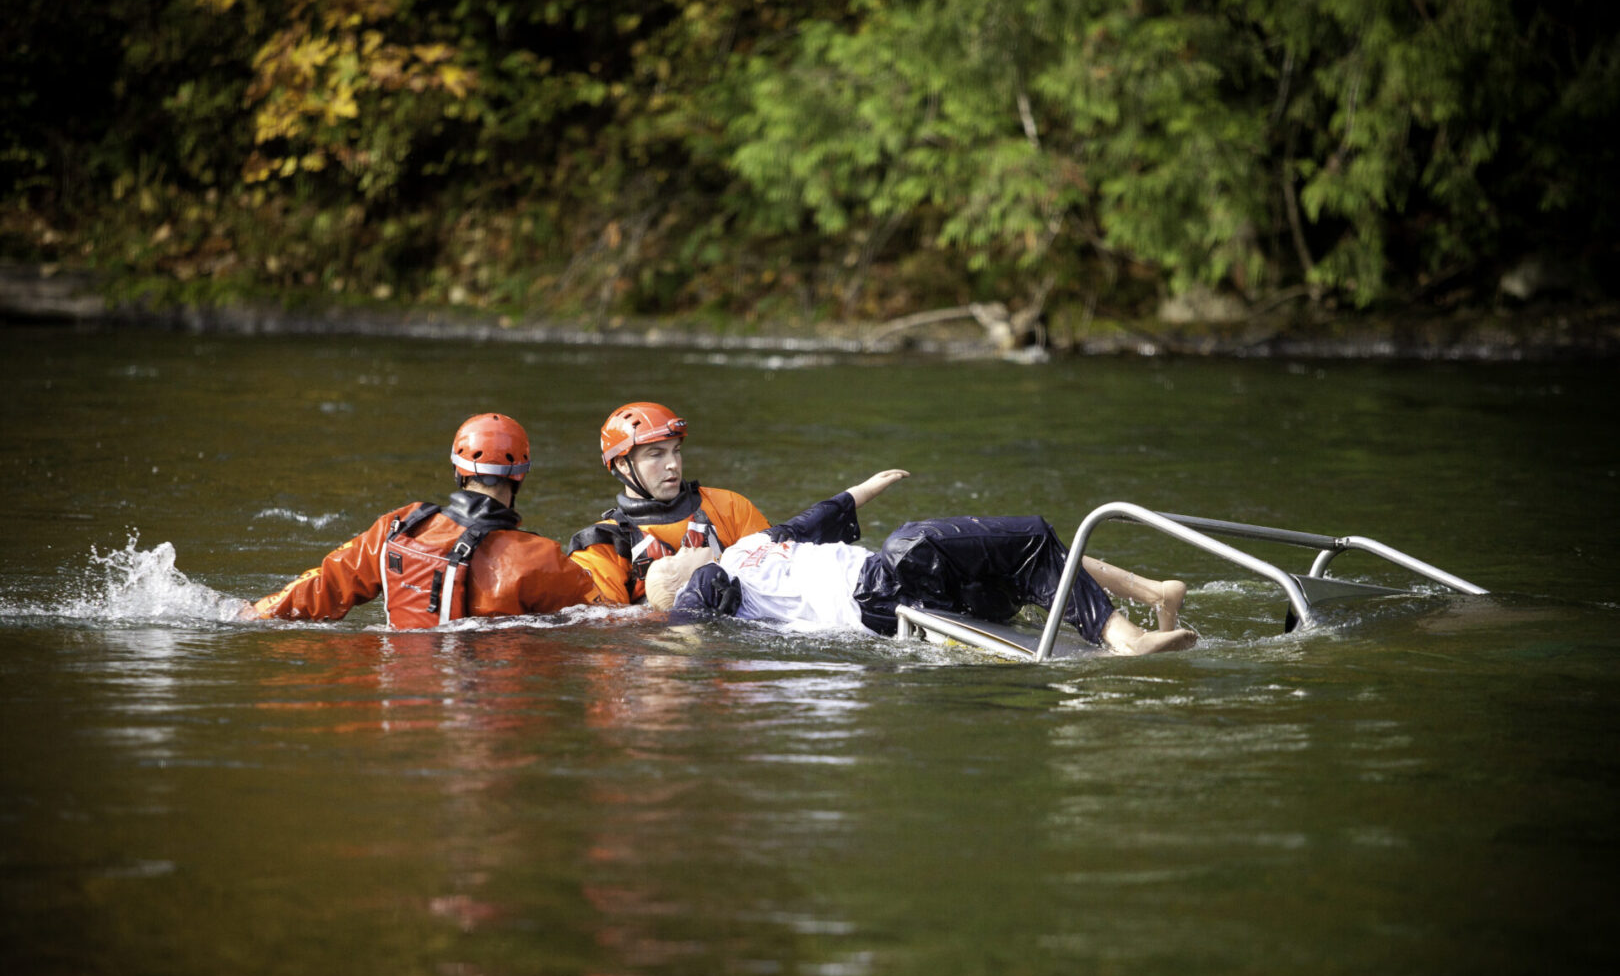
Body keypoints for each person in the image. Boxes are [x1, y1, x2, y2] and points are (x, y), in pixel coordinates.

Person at [643, 470, 1195, 655]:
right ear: (687, 576)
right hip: (881, 590)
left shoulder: (747, 548)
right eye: (681, 553)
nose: (690, 541)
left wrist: (867, 486)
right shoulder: (720, 584)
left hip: (903, 592)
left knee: (1027, 558)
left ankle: (1154, 596)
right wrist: (676, 642)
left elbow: (815, 518)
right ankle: (1128, 640)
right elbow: (694, 608)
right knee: (923, 539)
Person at [252, 413, 603, 628]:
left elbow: (324, 586)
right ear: (521, 477)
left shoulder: (399, 526)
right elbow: (604, 620)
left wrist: (255, 613)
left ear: (457, 472)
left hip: (404, 688)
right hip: (492, 697)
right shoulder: (539, 558)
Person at [566, 401, 771, 604]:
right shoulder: (600, 545)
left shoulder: (730, 506)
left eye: (676, 450)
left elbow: (777, 575)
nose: (673, 464)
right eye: (656, 454)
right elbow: (605, 630)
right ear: (622, 464)